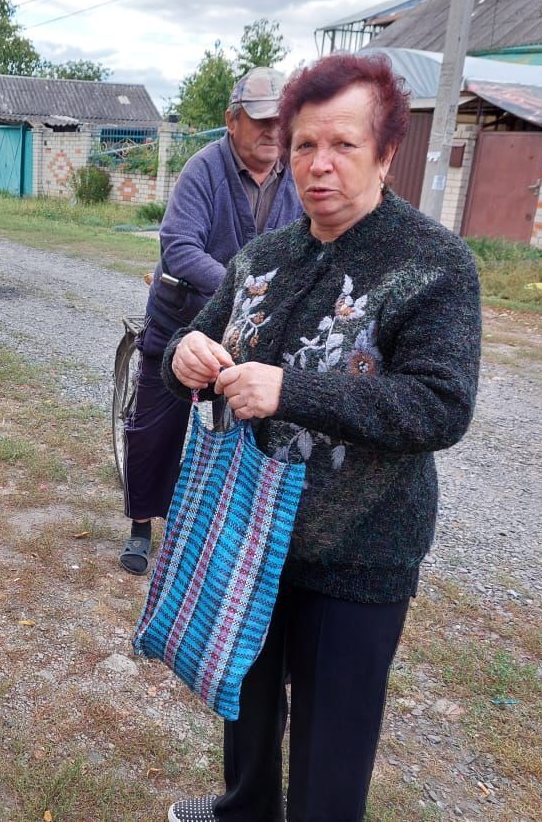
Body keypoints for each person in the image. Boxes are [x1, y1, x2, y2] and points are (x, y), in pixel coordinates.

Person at [163, 52, 481, 822]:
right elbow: (196, 343)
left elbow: (440, 405)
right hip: (252, 534)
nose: (319, 164)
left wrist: (292, 390)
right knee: (247, 696)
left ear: (385, 152)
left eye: (343, 143)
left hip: (359, 552)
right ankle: (244, 809)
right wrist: (184, 356)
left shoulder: (432, 263)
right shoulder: (263, 257)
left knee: (329, 750)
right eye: (304, 144)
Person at [119, 67, 302, 575]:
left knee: (261, 423)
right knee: (156, 427)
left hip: (254, 328)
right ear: (232, 119)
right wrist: (247, 287)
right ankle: (141, 524)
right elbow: (179, 247)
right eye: (261, 120)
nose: (273, 132)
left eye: (281, 121)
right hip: (182, 316)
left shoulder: (295, 176)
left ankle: (236, 528)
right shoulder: (203, 169)